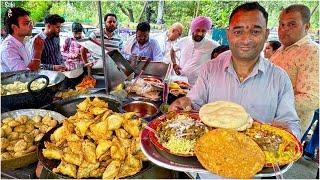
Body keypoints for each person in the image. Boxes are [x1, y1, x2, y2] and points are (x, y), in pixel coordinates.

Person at [169, 2, 301, 142]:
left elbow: (290, 123)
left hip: (257, 158)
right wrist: (183, 103)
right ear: (229, 34)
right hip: (210, 152)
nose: (246, 39)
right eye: (238, 31)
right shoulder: (210, 69)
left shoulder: (279, 78)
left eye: (255, 31)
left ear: (266, 34)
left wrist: (289, 133)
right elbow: (194, 102)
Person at [270, 4, 319, 134]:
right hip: (269, 120)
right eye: (282, 24)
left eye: (292, 24)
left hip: (287, 127)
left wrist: (270, 102)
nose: (284, 29)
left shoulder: (312, 52)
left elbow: (313, 98)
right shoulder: (282, 49)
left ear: (306, 27)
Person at [170, 16, 220, 85]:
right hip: (181, 82)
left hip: (199, 86)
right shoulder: (184, 41)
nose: (200, 33)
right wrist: (175, 64)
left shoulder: (213, 45)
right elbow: (172, 50)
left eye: (203, 31)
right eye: (197, 30)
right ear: (193, 29)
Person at [0, 7, 43, 72]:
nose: (31, 26)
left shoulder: (23, 42)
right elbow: (24, 75)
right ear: (14, 27)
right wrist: (38, 52)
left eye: (30, 22)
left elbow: (30, 65)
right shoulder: (8, 48)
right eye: (26, 23)